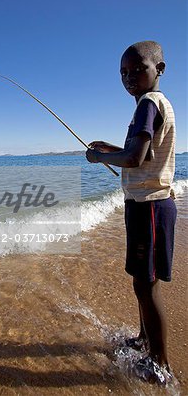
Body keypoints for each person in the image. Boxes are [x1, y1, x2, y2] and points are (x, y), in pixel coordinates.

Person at [86, 40, 176, 385]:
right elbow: (142, 153)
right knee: (143, 281)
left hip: (149, 207)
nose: (130, 77)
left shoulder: (147, 105)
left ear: (160, 70)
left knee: (146, 285)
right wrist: (112, 149)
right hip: (149, 205)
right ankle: (144, 339)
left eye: (139, 69)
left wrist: (99, 158)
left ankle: (159, 364)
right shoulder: (154, 105)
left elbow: (135, 159)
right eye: (124, 72)